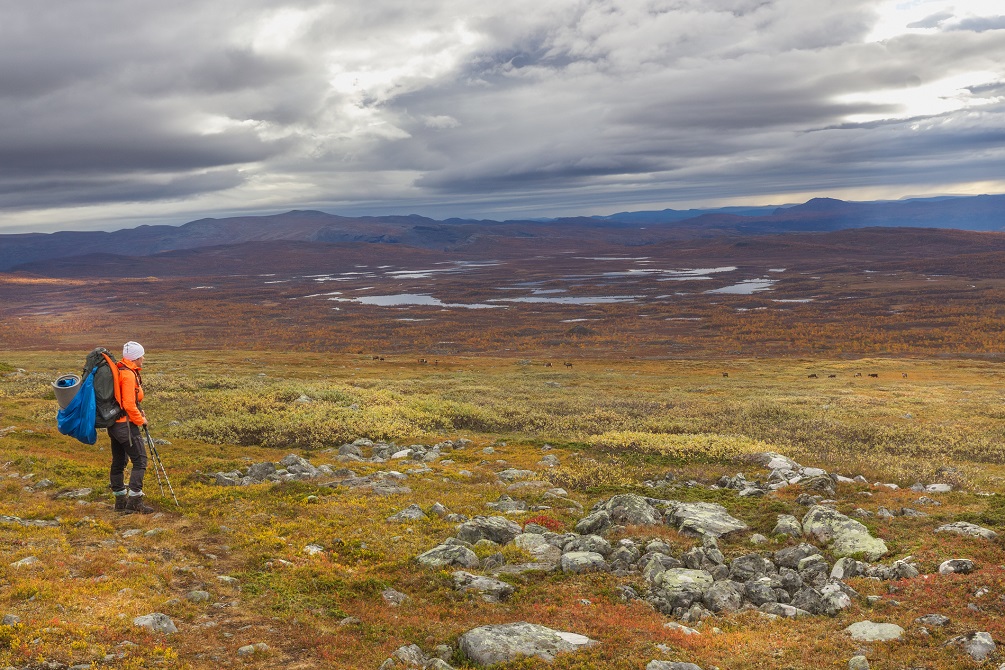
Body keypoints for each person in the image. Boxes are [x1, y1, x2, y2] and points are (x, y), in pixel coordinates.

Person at [109, 341, 154, 514]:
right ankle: (135, 501)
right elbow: (128, 403)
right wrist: (140, 421)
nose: (143, 358)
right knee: (140, 461)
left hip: (115, 425)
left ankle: (120, 500)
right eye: (142, 356)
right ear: (135, 358)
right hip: (125, 426)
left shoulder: (120, 370)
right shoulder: (128, 375)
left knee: (119, 461)